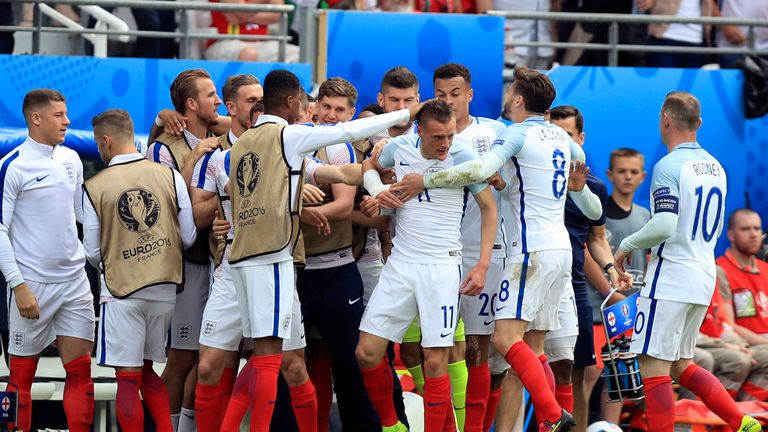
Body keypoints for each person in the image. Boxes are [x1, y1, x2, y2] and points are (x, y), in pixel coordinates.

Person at [389, 67, 608, 431]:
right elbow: (595, 210)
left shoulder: (515, 134)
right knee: (534, 353)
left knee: (506, 341)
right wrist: (574, 188)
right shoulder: (562, 138)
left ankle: (552, 415)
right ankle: (546, 419)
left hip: (530, 253)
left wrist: (424, 179)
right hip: (560, 253)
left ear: (518, 100)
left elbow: (477, 169)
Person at [221, 69, 426, 431]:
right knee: (270, 360)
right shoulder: (288, 135)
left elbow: (331, 174)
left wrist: (368, 172)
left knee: (292, 363)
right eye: (310, 103)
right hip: (271, 261)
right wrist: (407, 114)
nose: (322, 112)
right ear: (293, 102)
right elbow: (346, 133)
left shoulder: (242, 143)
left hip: (262, 262)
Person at [613, 92, 759, 432]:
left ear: (665, 119)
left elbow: (665, 223)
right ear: (700, 123)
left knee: (654, 369)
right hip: (703, 274)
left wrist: (625, 246)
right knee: (682, 365)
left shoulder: (668, 165)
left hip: (672, 276)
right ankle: (741, 421)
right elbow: (716, 227)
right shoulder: (716, 167)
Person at [357, 99, 497, 432]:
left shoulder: (463, 156)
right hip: (401, 265)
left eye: (449, 135)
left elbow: (489, 210)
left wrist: (482, 266)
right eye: (438, 137)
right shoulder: (399, 147)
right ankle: (393, 427)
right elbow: (368, 167)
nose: (446, 144)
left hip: (442, 267)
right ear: (419, 131)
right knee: (366, 353)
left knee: (435, 361)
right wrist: (379, 191)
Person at [83, 109, 196, 432]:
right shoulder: (169, 175)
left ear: (105, 141)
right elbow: (187, 237)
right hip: (164, 288)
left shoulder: (94, 186)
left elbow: (92, 253)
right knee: (146, 370)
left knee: (128, 379)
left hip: (121, 291)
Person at [0, 89, 94, 432]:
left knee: (81, 371)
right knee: (21, 377)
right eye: (59, 115)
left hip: (74, 281)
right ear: (35, 118)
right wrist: (18, 285)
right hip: (32, 285)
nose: (67, 121)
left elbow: (83, 216)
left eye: (66, 114)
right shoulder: (11, 166)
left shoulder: (71, 158)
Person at [431, 62, 509, 432]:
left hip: (484, 256)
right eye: (441, 94)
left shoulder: (494, 133)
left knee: (483, 351)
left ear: (470, 94)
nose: (448, 101)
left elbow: (511, 187)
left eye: (455, 94)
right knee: (438, 350)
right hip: (436, 256)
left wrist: (499, 179)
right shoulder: (425, 137)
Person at [146, 68, 222, 431]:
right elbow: (165, 214)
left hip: (219, 263)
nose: (218, 100)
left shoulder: (222, 137)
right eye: (210, 95)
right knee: (182, 356)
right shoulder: (162, 148)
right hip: (186, 266)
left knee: (207, 357)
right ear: (191, 104)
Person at [583, 147, 650, 428]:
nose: (627, 177)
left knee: (619, 374)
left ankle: (609, 427)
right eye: (621, 171)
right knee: (590, 372)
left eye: (634, 172)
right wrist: (609, 293)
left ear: (642, 176)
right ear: (610, 174)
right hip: (599, 306)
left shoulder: (646, 216)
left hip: (630, 310)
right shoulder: (598, 213)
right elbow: (586, 253)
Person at [717, 209, 768, 346]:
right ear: (731, 235)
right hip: (745, 345)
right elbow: (728, 324)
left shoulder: (765, 268)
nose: (753, 235)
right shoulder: (720, 270)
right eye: (745, 229)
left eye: (757, 228)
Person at [205, 0, 300, 62]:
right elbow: (244, 11)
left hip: (261, 43)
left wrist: (243, 17)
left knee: (300, 54)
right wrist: (264, 5)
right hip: (225, 41)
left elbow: (277, 14)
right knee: (249, 53)